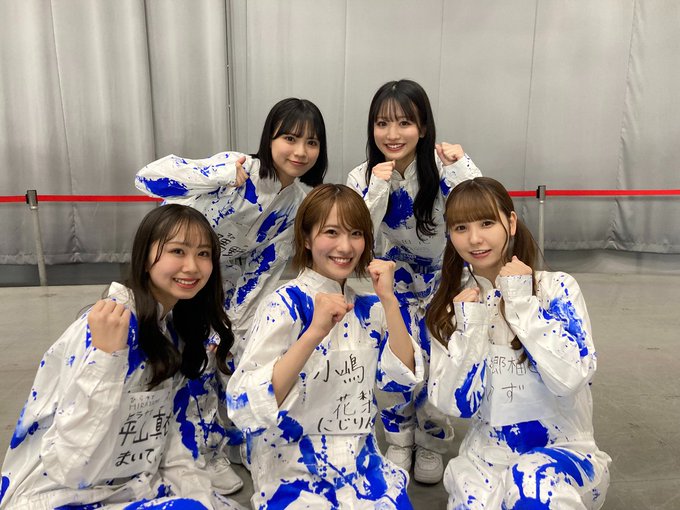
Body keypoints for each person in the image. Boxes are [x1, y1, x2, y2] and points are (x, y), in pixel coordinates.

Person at [135, 98, 328, 490]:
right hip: (170, 271)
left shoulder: (296, 202)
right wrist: (215, 174)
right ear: (269, 138)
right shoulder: (234, 167)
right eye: (290, 138)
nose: (300, 151)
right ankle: (198, 453)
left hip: (215, 282)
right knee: (180, 359)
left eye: (311, 142)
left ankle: (232, 438)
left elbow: (267, 264)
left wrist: (236, 321)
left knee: (228, 353)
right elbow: (147, 178)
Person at [0, 204, 244, 510]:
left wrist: (195, 485)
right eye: (177, 251)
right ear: (144, 258)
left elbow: (165, 429)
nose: (192, 266)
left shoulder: (171, 326)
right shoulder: (111, 325)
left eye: (203, 253)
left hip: (128, 482)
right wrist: (106, 360)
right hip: (61, 493)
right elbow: (69, 464)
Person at [226, 184, 424, 509]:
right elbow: (246, 404)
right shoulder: (283, 305)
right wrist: (314, 332)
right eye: (331, 232)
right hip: (294, 471)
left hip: (362, 466)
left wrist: (390, 301)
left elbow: (399, 379)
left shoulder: (368, 307)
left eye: (356, 233)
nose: (345, 246)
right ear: (306, 238)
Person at [425, 177, 611, 509]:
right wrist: (470, 328)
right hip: (486, 460)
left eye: (486, 223)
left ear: (510, 223)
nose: (475, 238)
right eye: (461, 228)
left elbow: (571, 378)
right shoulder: (453, 308)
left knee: (531, 482)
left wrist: (522, 303)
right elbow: (455, 406)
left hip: (563, 455)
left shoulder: (557, 289)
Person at [346, 79, 481, 483]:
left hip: (443, 282)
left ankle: (432, 440)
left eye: (404, 123)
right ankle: (399, 438)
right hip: (388, 286)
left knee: (439, 362)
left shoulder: (443, 169)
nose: (392, 134)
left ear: (423, 128)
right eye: (382, 123)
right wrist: (375, 190)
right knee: (392, 363)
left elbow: (479, 212)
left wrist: (463, 167)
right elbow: (355, 237)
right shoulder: (362, 176)